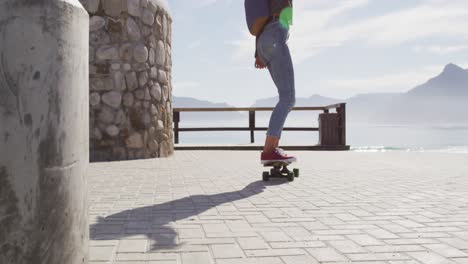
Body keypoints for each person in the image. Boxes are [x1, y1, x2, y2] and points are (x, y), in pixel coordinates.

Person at [253, 0, 297, 164]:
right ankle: (269, 150)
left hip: (266, 38)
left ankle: (273, 149)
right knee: (288, 98)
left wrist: (258, 51)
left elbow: (260, 14)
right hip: (275, 33)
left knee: (285, 98)